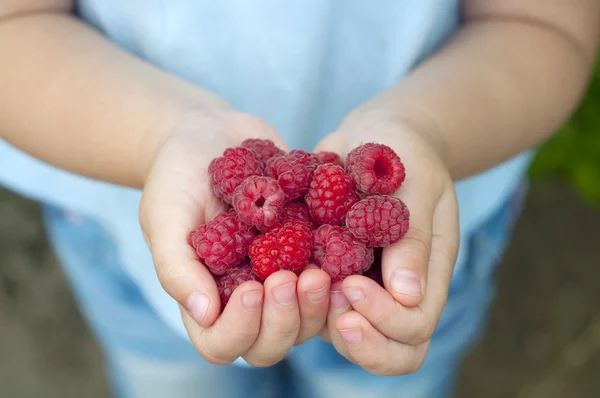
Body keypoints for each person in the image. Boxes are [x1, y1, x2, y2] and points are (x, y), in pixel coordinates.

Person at [0, 1, 597, 397]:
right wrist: (159, 135)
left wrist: (427, 130)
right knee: (172, 379)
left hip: (417, 244)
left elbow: (547, 23)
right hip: (127, 240)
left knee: (384, 381)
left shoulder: (364, 214)